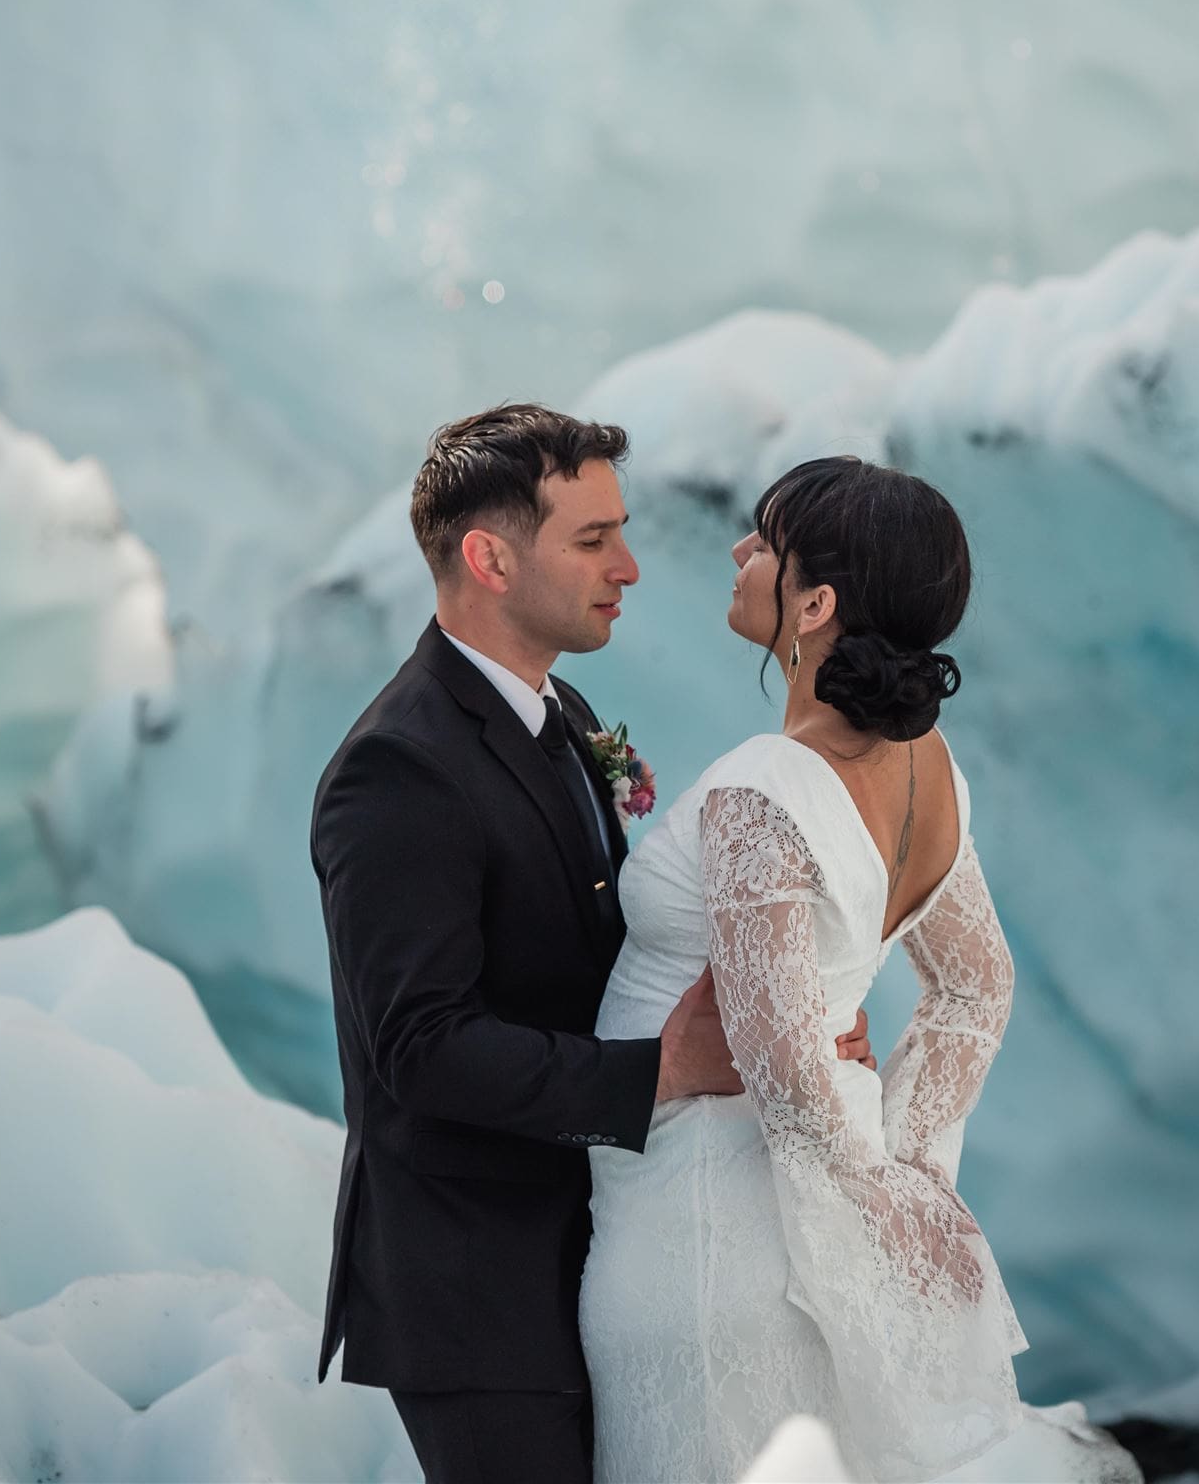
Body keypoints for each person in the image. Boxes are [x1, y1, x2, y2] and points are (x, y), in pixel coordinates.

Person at [309, 405, 876, 1484]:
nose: (627, 565)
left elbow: (595, 958)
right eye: (590, 538)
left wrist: (779, 1023)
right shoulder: (397, 769)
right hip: (478, 1286)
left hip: (589, 1249)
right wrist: (658, 1071)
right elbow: (422, 1047)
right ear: (486, 555)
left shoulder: (558, 708)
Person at [580, 455, 1143, 1484]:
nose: (740, 554)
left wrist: (883, 1196)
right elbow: (976, 987)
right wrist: (908, 1168)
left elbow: (780, 1061)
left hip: (702, 1235)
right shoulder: (934, 774)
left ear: (817, 598)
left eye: (762, 540)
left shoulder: (763, 784)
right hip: (791, 1240)